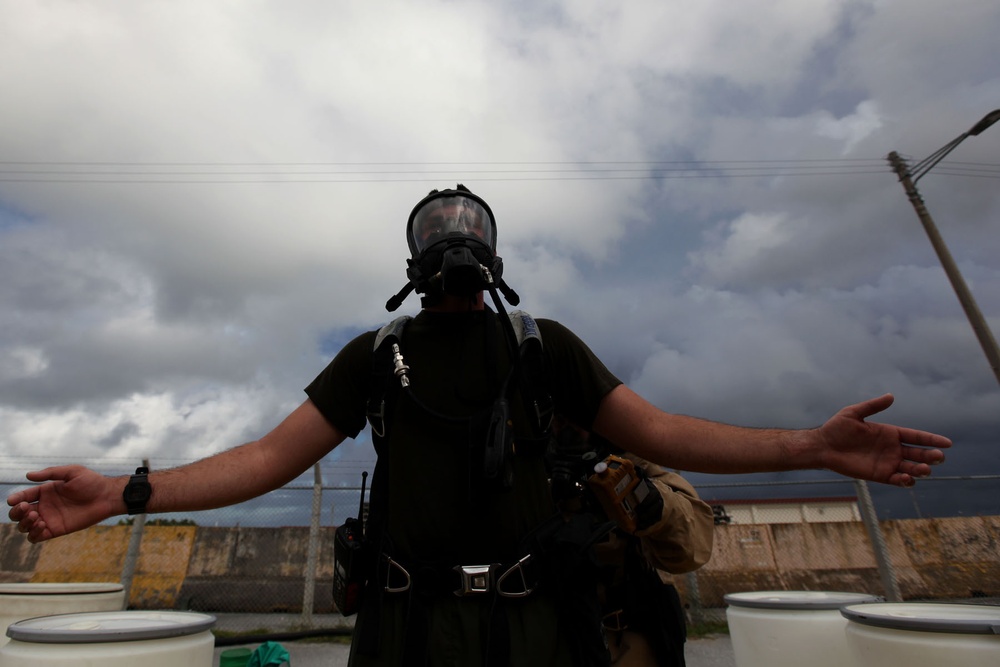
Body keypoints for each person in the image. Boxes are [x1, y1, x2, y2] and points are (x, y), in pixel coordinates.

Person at [7, 185, 951, 667]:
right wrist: (125, 494)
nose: (451, 235)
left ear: (495, 250)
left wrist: (809, 446)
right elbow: (265, 456)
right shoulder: (377, 354)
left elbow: (662, 431)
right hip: (402, 629)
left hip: (540, 628)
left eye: (467, 222)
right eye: (434, 225)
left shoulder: (546, 349)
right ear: (412, 254)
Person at [547, 418, 713, 666]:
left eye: (577, 417)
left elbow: (692, 547)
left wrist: (656, 506)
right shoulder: (522, 465)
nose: (569, 428)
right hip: (546, 635)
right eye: (561, 419)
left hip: (620, 636)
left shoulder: (628, 461)